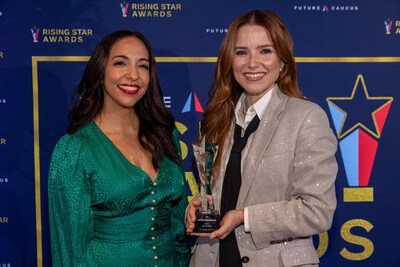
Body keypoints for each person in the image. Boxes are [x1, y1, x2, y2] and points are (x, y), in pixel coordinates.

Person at [186, 10, 338, 267]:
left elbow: (317, 212)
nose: (252, 63)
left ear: (282, 61)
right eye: (241, 52)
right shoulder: (216, 120)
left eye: (265, 51)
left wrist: (244, 217)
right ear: (229, 61)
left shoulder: (306, 118)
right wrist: (199, 205)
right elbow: (215, 191)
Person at [48, 30, 190, 266]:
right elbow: (69, 251)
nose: (133, 75)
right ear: (100, 72)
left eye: (143, 66)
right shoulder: (75, 149)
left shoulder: (166, 134)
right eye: (120, 63)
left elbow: (178, 224)